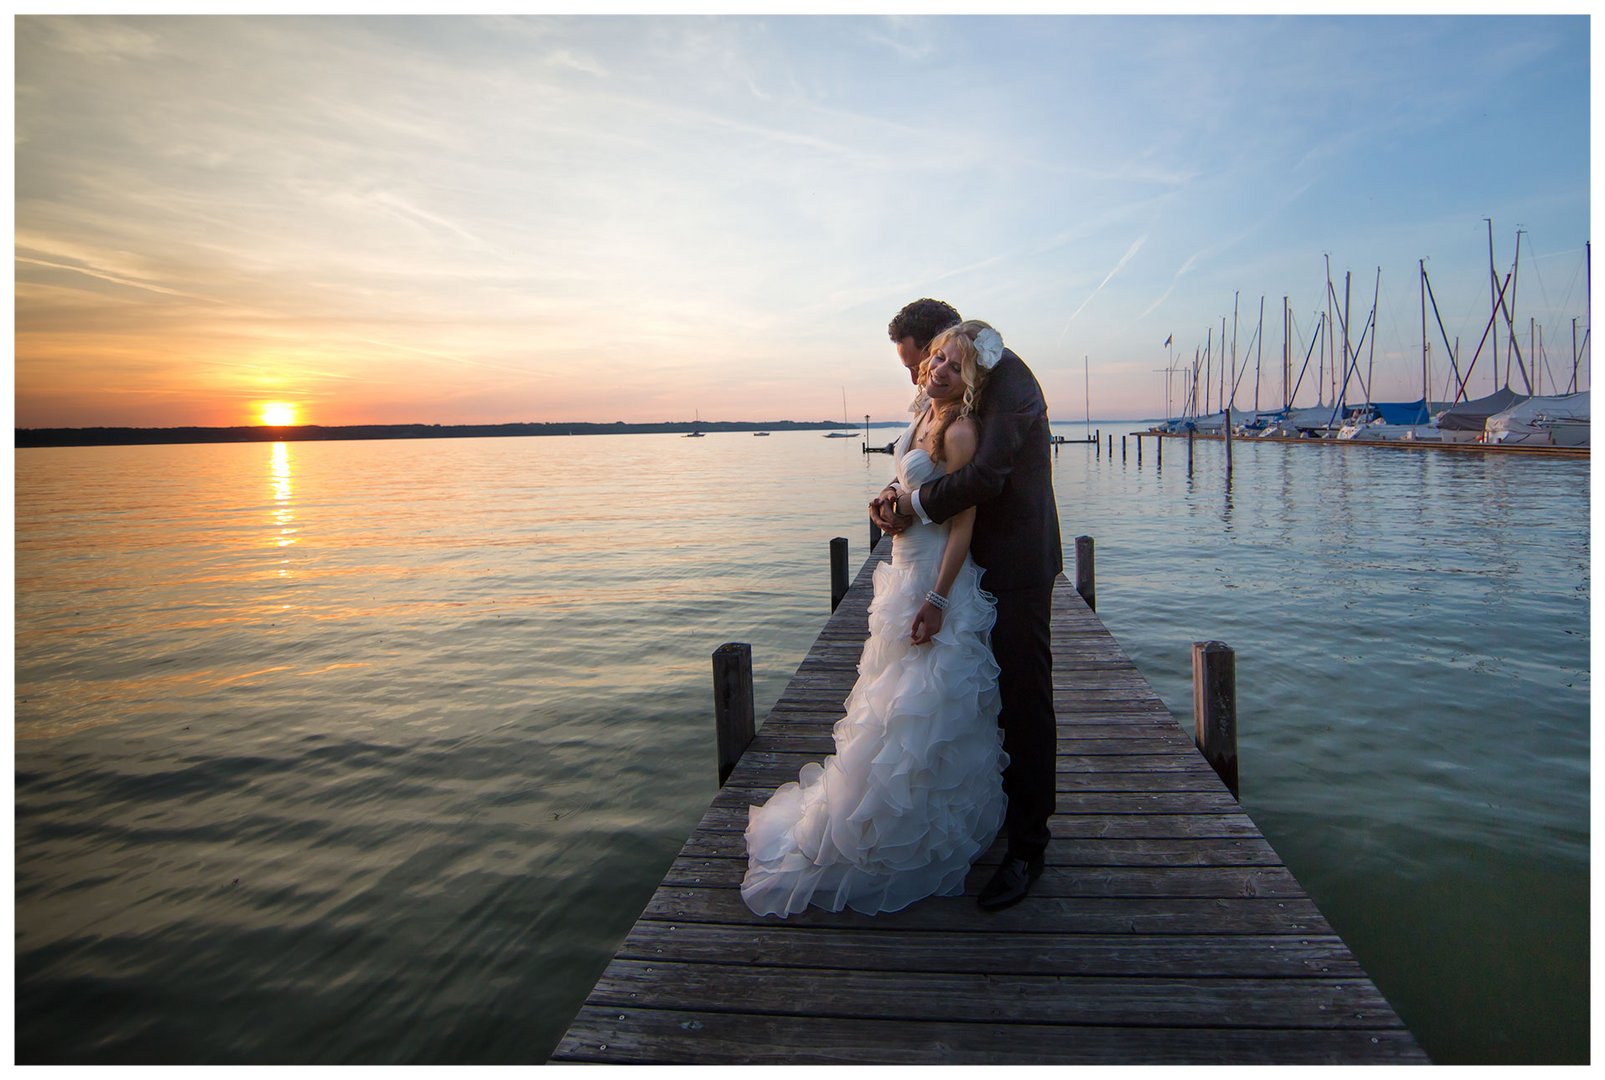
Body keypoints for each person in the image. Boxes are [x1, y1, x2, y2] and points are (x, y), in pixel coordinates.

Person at [741, 323, 1009, 918]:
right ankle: (879, 818)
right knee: (883, 700)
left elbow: (962, 525)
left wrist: (937, 602)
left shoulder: (963, 431)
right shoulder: (920, 420)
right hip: (898, 570)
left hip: (934, 582)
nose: (938, 370)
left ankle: (920, 828)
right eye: (938, 359)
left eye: (954, 367)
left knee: (923, 706)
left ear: (970, 383)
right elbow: (905, 480)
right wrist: (884, 500)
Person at [873, 300, 1062, 912]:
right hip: (963, 566)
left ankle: (1030, 846)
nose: (915, 378)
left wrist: (916, 508)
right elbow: (918, 460)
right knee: (978, 695)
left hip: (1015, 564)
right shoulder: (943, 390)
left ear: (944, 346)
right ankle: (987, 813)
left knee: (1024, 697)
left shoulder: (1011, 382)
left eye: (918, 362)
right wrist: (890, 498)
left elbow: (987, 476)